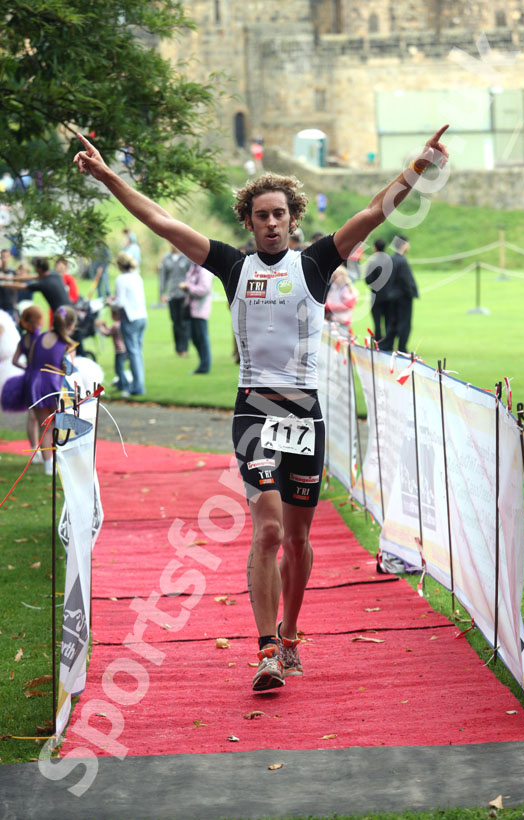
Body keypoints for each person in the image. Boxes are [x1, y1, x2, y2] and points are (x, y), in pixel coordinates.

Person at [74, 124, 449, 691]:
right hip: (254, 410)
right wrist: (107, 176)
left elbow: (374, 211)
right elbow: (161, 221)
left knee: (299, 539)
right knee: (268, 530)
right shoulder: (232, 266)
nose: (271, 223)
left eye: (279, 214)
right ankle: (267, 648)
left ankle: (293, 633)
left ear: (291, 219)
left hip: (305, 413)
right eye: (260, 215)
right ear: (247, 222)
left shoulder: (316, 264)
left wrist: (418, 168)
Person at [22, 306, 77, 474]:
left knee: (44, 425)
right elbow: (68, 369)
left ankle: (48, 465)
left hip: (35, 384)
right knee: (59, 423)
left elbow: (31, 359)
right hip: (53, 385)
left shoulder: (40, 337)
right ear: (71, 325)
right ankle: (61, 459)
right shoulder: (68, 344)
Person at [1, 305, 44, 462]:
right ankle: (43, 451)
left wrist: (27, 368)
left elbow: (15, 361)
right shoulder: (40, 339)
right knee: (39, 416)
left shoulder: (23, 339)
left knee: (33, 416)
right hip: (39, 380)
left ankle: (35, 449)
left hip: (29, 378)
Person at [110, 251, 147, 396]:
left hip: (130, 318)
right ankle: (138, 383)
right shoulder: (137, 277)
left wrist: (110, 303)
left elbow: (120, 302)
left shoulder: (121, 279)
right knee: (138, 352)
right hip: (142, 316)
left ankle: (137, 387)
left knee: (133, 353)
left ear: (119, 265)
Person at [381, 235, 419, 354]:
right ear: (404, 244)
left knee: (392, 321)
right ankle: (402, 347)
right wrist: (411, 293)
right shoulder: (402, 261)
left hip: (392, 296)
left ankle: (388, 344)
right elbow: (406, 280)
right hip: (403, 297)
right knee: (404, 323)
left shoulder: (391, 259)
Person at [178, 263, 214, 374]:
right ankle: (203, 365)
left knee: (201, 339)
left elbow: (204, 289)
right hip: (192, 310)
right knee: (195, 338)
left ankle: (205, 366)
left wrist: (188, 287)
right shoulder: (193, 268)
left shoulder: (204, 270)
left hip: (200, 309)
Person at [159, 244, 193, 356]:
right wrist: (162, 293)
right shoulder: (166, 258)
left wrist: (190, 288)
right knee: (175, 321)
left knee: (184, 322)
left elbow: (192, 274)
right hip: (172, 294)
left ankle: (185, 348)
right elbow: (163, 277)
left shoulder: (186, 257)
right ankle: (178, 348)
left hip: (184, 294)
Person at [364, 237, 392, 346]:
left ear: (375, 248)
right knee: (388, 320)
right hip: (390, 295)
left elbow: (368, 280)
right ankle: (388, 342)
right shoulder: (390, 260)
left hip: (376, 295)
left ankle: (378, 343)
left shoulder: (373, 261)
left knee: (377, 322)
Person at [95, 307, 129, 392]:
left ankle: (123, 385)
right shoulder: (120, 323)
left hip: (119, 351)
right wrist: (105, 325)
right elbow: (111, 329)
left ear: (114, 315)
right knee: (120, 368)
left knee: (118, 369)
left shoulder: (115, 325)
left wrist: (99, 327)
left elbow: (107, 333)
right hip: (124, 349)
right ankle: (122, 384)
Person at [324, 266, 358, 331]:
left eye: (335, 277)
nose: (333, 279)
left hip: (342, 321)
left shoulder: (347, 289)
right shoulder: (334, 287)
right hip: (332, 320)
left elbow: (347, 305)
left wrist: (329, 306)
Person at [0, 248, 18, 322]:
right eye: (2, 257)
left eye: (7, 256)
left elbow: (16, 288)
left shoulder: (13, 272)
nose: (5, 259)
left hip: (10, 305)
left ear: (11, 257)